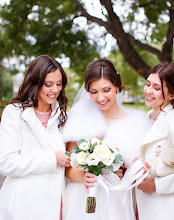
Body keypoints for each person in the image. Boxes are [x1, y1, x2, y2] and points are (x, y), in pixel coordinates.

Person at [62, 58, 152, 220]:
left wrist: (128, 172)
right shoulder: (80, 119)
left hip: (116, 199)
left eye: (106, 90)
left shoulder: (137, 123)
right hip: (83, 197)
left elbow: (139, 169)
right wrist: (85, 176)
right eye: (94, 92)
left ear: (118, 86)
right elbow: (69, 169)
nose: (100, 97)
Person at [0, 55, 71, 220]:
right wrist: (52, 158)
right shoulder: (14, 113)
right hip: (24, 202)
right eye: (48, 85)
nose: (55, 90)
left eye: (59, 84)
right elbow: (6, 163)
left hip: (55, 203)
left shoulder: (62, 116)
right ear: (35, 83)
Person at [135, 62, 174, 220]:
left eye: (157, 88)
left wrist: (157, 186)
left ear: (172, 95)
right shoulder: (145, 119)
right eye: (148, 84)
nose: (148, 91)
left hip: (165, 206)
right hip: (142, 203)